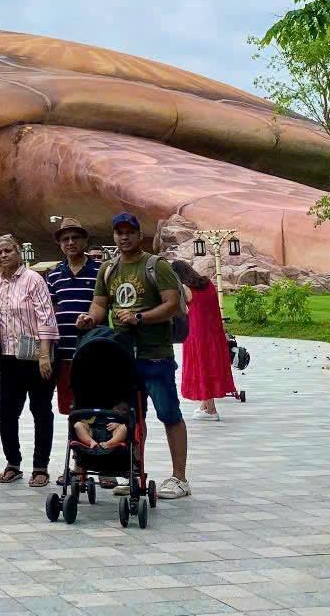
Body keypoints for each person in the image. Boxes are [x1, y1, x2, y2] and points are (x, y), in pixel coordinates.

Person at [77, 213, 191, 499]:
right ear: (114, 236)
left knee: (169, 414)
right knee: (129, 418)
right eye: (119, 232)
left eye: (130, 232)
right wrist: (90, 319)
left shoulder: (156, 265)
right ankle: (134, 473)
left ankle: (179, 478)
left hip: (155, 355)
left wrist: (140, 318)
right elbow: (99, 305)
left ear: (140, 235)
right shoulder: (109, 269)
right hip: (122, 357)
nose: (124, 237)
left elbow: (172, 304)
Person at [0, 233, 59, 489]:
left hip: (37, 356)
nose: (3, 255)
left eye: (8, 250)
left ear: (18, 252)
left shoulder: (33, 279)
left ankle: (40, 467)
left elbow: (46, 317)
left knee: (41, 411)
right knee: (7, 413)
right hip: (9, 358)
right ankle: (13, 463)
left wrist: (44, 355)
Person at [44, 219, 99, 423]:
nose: (70, 242)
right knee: (71, 410)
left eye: (75, 237)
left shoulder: (101, 271)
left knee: (94, 406)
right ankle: (75, 442)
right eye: (65, 239)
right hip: (64, 353)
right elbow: (48, 311)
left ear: (84, 240)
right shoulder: (54, 275)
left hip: (93, 351)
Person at [174, 259, 236, 421]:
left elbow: (179, 310)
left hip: (196, 334)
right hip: (214, 332)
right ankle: (205, 406)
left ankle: (211, 410)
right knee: (209, 366)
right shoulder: (208, 284)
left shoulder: (185, 289)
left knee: (201, 368)